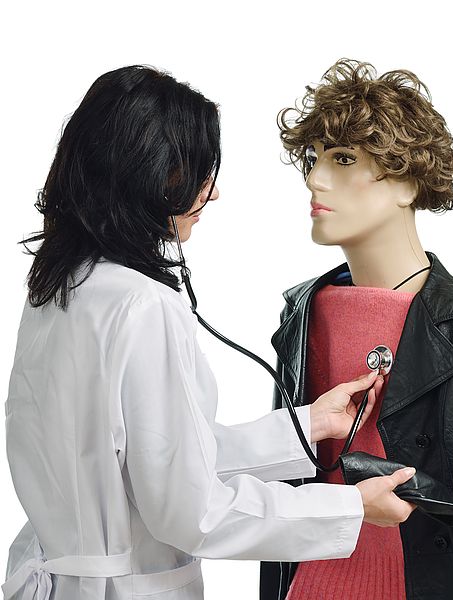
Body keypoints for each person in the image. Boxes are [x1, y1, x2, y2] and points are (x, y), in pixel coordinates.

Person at [2, 65, 418, 600]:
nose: (212, 193)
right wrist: (351, 507)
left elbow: (151, 456)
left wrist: (306, 425)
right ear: (157, 174)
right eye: (200, 172)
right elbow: (191, 511)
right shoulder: (141, 304)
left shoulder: (59, 288)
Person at [260, 59, 453, 600]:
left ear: (407, 182)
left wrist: (369, 475)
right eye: (313, 159)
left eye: (343, 160)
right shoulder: (302, 312)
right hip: (309, 584)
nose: (316, 178)